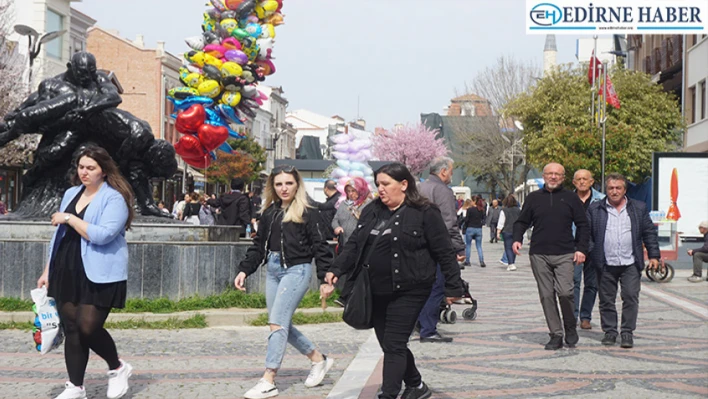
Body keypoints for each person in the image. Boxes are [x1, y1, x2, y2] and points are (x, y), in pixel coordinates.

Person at [323, 162, 464, 399]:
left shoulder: (425, 213)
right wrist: (335, 269)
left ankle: (388, 394)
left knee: (395, 344)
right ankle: (417, 385)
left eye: (386, 184)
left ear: (404, 184)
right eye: (378, 184)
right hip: (375, 289)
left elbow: (443, 251)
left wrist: (453, 286)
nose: (381, 189)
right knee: (389, 344)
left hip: (411, 289)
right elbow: (356, 243)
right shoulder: (372, 211)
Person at [36, 145, 133, 399]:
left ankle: (117, 367)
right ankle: (76, 386)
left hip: (100, 271)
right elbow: (57, 236)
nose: (84, 172)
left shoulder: (115, 198)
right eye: (81, 167)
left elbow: (102, 235)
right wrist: (47, 269)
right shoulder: (71, 193)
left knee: (88, 326)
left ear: (104, 170)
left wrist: (69, 218)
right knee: (72, 328)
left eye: (91, 168)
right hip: (65, 267)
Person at [234, 164, 335, 399]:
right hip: (273, 269)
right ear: (273, 186)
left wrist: (325, 278)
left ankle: (269, 378)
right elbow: (259, 246)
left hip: (296, 271)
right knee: (278, 323)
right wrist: (244, 270)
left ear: (297, 184)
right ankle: (318, 359)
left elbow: (321, 247)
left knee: (277, 324)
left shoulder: (309, 211)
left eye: (289, 183)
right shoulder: (269, 213)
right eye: (279, 184)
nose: (284, 188)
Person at [512, 162, 589, 350]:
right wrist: (516, 239)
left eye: (557, 174)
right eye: (549, 174)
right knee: (546, 295)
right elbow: (522, 221)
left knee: (565, 292)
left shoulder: (571, 198)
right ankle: (556, 333)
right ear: (544, 176)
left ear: (563, 178)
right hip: (539, 253)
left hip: (565, 253)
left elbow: (583, 225)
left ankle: (570, 326)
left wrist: (581, 249)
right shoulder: (533, 198)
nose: (553, 177)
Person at [586, 173, 660, 348]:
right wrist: (592, 252)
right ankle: (610, 332)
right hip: (605, 263)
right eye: (611, 188)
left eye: (618, 188)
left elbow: (649, 233)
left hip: (630, 263)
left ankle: (627, 333)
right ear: (606, 190)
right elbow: (587, 235)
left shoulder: (638, 208)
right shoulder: (595, 209)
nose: (614, 191)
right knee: (606, 300)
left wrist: (654, 255)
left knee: (630, 297)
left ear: (624, 190)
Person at [416, 157, 466, 343]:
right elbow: (449, 222)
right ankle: (428, 329)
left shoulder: (419, 188)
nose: (452, 175)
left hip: (418, 245)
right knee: (436, 287)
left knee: (421, 287)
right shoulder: (442, 191)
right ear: (443, 171)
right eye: (451, 171)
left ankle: (420, 323)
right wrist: (458, 247)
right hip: (437, 246)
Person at [572, 169, 605, 329]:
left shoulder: (601, 200)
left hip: (594, 246)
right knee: (574, 282)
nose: (582, 182)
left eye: (585, 179)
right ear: (574, 182)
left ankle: (586, 316)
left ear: (592, 182)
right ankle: (572, 316)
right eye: (579, 179)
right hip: (573, 245)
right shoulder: (567, 199)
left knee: (592, 284)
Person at [332, 177, 372, 247]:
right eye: (348, 191)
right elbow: (335, 219)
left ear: (360, 190)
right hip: (343, 243)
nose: (350, 193)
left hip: (359, 245)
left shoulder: (368, 205)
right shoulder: (343, 204)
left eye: (353, 191)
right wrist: (336, 227)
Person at [496, 195, 521, 271]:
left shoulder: (504, 210)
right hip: (517, 231)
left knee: (508, 248)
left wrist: (498, 232)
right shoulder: (519, 210)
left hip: (507, 230)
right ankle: (512, 262)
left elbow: (501, 222)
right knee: (514, 247)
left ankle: (511, 263)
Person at [464, 198, 487, 268]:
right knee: (479, 246)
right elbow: (484, 220)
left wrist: (464, 228)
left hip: (470, 228)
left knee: (468, 245)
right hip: (478, 229)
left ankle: (467, 261)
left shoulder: (470, 210)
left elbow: (466, 220)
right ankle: (481, 261)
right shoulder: (482, 211)